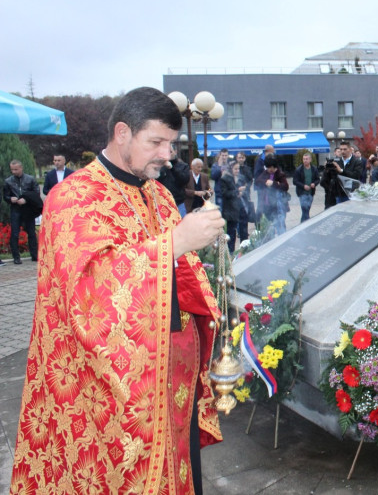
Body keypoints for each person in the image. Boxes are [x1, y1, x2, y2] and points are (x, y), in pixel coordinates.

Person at [10, 87, 226, 494]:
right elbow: (90, 291)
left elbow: (181, 275)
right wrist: (176, 242)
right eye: (156, 142)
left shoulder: (159, 194)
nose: (167, 154)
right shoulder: (73, 197)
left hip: (171, 374)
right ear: (122, 133)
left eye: (172, 144)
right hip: (108, 388)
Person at [3, 160, 41, 264]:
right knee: (15, 233)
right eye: (12, 169)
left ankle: (34, 255)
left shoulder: (30, 179)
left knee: (31, 233)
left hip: (28, 209)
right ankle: (16, 257)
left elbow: (36, 192)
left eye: (16, 169)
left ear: (21, 168)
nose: (14, 171)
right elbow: (5, 196)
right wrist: (10, 199)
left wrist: (26, 199)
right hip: (15, 209)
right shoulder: (8, 181)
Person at [255, 156, 290, 235]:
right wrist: (265, 181)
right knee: (269, 228)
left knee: (280, 226)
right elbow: (257, 181)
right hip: (267, 205)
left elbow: (285, 186)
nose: (269, 169)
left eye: (271, 167)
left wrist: (274, 183)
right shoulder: (265, 173)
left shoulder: (280, 174)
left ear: (274, 167)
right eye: (268, 167)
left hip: (278, 206)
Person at [220, 161, 246, 253]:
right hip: (229, 208)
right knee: (231, 231)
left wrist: (242, 192)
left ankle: (242, 250)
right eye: (235, 169)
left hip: (239, 207)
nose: (237, 171)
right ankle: (230, 251)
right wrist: (237, 192)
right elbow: (224, 193)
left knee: (241, 229)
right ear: (231, 169)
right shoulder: (225, 178)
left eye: (238, 168)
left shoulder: (240, 177)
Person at [157, 147, 191, 217]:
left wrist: (172, 168)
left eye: (170, 152)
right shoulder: (159, 167)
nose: (168, 154)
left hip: (178, 203)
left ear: (175, 151)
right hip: (163, 203)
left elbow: (184, 180)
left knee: (181, 226)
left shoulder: (183, 166)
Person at [293, 153, 320, 222]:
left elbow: (318, 179)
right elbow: (295, 181)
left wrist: (314, 184)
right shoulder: (299, 170)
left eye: (306, 159)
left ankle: (303, 224)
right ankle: (307, 224)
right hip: (302, 193)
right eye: (304, 159)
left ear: (310, 160)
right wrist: (303, 186)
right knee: (305, 209)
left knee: (307, 210)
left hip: (311, 193)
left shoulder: (314, 169)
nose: (305, 160)